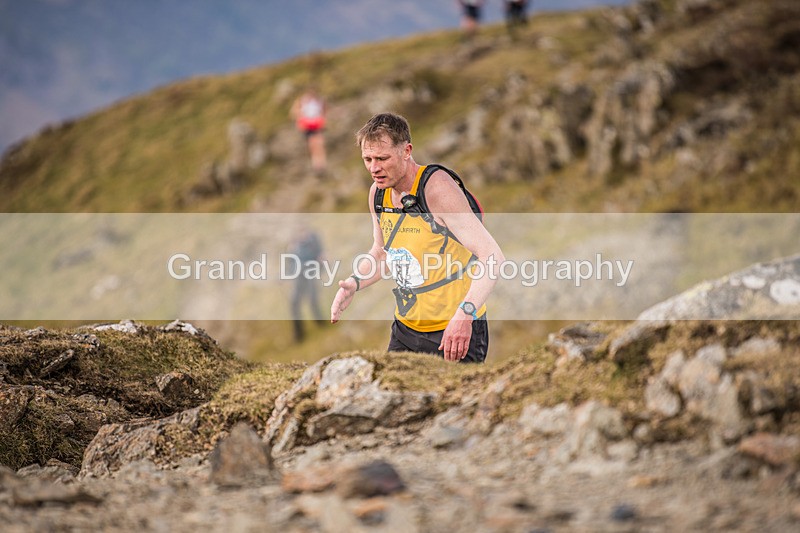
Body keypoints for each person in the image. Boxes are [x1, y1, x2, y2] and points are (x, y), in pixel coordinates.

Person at [330, 113, 504, 363]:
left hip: (453, 331)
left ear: (406, 151)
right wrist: (354, 283)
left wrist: (465, 315)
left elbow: (492, 257)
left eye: (382, 158)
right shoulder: (378, 193)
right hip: (405, 330)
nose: (373, 168)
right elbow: (382, 253)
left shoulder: (437, 190)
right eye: (367, 159)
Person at [289, 226, 325, 343]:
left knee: (312, 300)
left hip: (311, 274)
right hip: (298, 277)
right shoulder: (294, 245)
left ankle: (321, 323)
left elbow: (321, 256)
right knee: (294, 303)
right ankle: (298, 333)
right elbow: (290, 262)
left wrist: (321, 268)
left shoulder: (313, 241)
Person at [291, 87, 327, 173]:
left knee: (319, 144)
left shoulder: (318, 101)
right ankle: (317, 165)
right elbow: (295, 112)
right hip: (308, 126)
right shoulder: (302, 102)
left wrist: (323, 119)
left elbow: (323, 111)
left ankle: (321, 164)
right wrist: (299, 121)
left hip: (316, 125)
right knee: (313, 145)